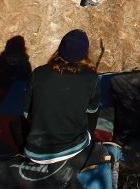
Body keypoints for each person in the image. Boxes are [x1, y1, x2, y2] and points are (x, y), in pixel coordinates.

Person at [22, 29, 101, 164]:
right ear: (84, 53)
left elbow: (25, 113)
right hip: (72, 148)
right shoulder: (91, 78)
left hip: (35, 151)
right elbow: (92, 113)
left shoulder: (38, 73)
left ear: (60, 48)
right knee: (96, 112)